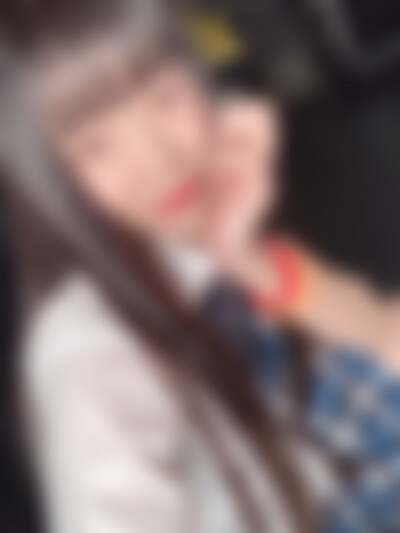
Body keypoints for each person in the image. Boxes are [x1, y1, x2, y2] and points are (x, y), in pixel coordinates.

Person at [1, 0, 400, 532]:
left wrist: (251, 259)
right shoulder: (88, 360)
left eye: (165, 98)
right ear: (48, 179)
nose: (159, 159)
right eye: (96, 146)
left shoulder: (194, 240)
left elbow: (386, 344)